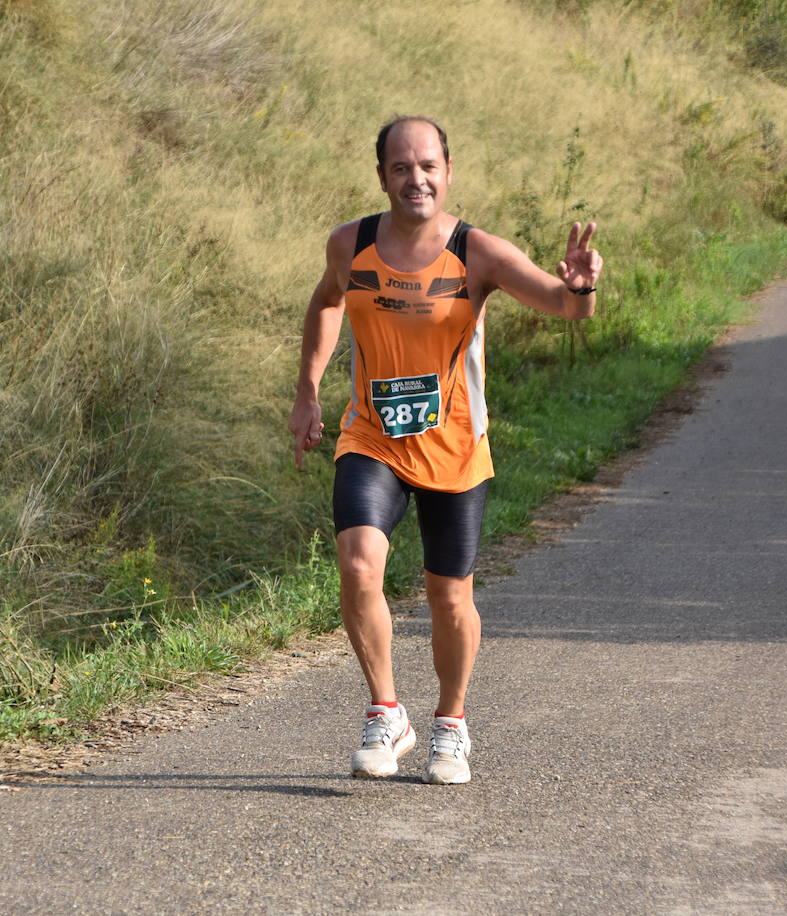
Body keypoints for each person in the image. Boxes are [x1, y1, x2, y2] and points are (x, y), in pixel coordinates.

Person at [288, 116, 603, 785]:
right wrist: (308, 392)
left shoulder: (477, 252)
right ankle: (386, 712)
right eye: (401, 167)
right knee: (358, 565)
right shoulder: (351, 244)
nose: (416, 179)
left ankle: (451, 723)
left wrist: (580, 288)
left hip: (455, 446)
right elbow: (326, 303)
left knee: (449, 598)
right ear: (382, 176)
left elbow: (565, 308)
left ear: (448, 171)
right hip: (372, 436)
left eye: (428, 166)